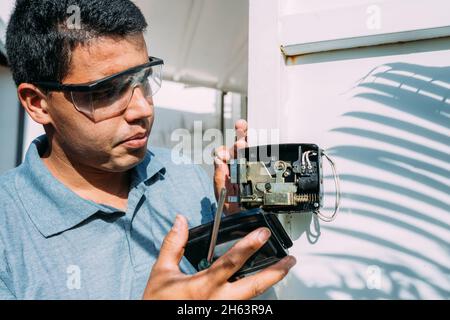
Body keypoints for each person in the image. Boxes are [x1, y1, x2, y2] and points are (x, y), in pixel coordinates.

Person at [0, 0, 296, 299]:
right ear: (38, 103)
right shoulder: (7, 232)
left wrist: (233, 223)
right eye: (107, 90)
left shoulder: (185, 175)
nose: (142, 108)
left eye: (144, 79)